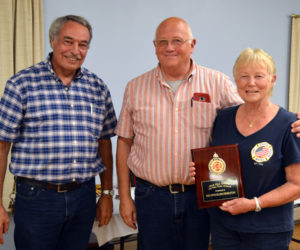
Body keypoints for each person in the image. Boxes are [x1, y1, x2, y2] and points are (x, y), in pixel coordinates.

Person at [115, 16, 243, 250]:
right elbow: (124, 142)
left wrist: (288, 121)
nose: (169, 47)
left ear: (192, 44)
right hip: (151, 197)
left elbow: (249, 119)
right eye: (162, 41)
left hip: (200, 196)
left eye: (177, 40)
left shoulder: (217, 83)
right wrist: (124, 198)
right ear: (155, 46)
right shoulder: (135, 87)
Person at [0, 15, 117, 249]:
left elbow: (104, 142)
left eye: (83, 44)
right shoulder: (21, 84)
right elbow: (2, 146)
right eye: (68, 41)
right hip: (37, 198)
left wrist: (106, 193)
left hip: (83, 196)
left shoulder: (97, 87)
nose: (75, 50)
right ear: (53, 41)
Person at [190, 48, 300, 250]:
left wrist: (254, 204)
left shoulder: (289, 124)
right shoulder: (223, 118)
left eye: (259, 76)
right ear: (235, 80)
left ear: (272, 79)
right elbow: (218, 164)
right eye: (244, 76)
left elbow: (296, 185)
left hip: (268, 231)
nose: (251, 83)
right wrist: (200, 172)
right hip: (225, 226)